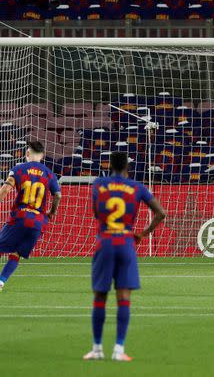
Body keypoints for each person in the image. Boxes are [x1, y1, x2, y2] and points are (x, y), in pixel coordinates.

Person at [83, 152, 167, 362]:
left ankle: (97, 349)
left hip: (105, 242)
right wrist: (143, 234)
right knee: (124, 297)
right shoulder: (137, 187)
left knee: (100, 296)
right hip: (126, 243)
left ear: (110, 165)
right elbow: (161, 213)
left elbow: (96, 212)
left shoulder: (99, 185)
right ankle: (119, 350)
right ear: (127, 167)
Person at [0, 141, 61, 291]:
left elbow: (5, 189)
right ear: (42, 155)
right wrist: (52, 212)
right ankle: (0, 283)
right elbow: (57, 195)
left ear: (27, 154)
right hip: (38, 221)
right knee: (17, 253)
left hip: (20, 217)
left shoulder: (18, 169)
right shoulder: (50, 174)